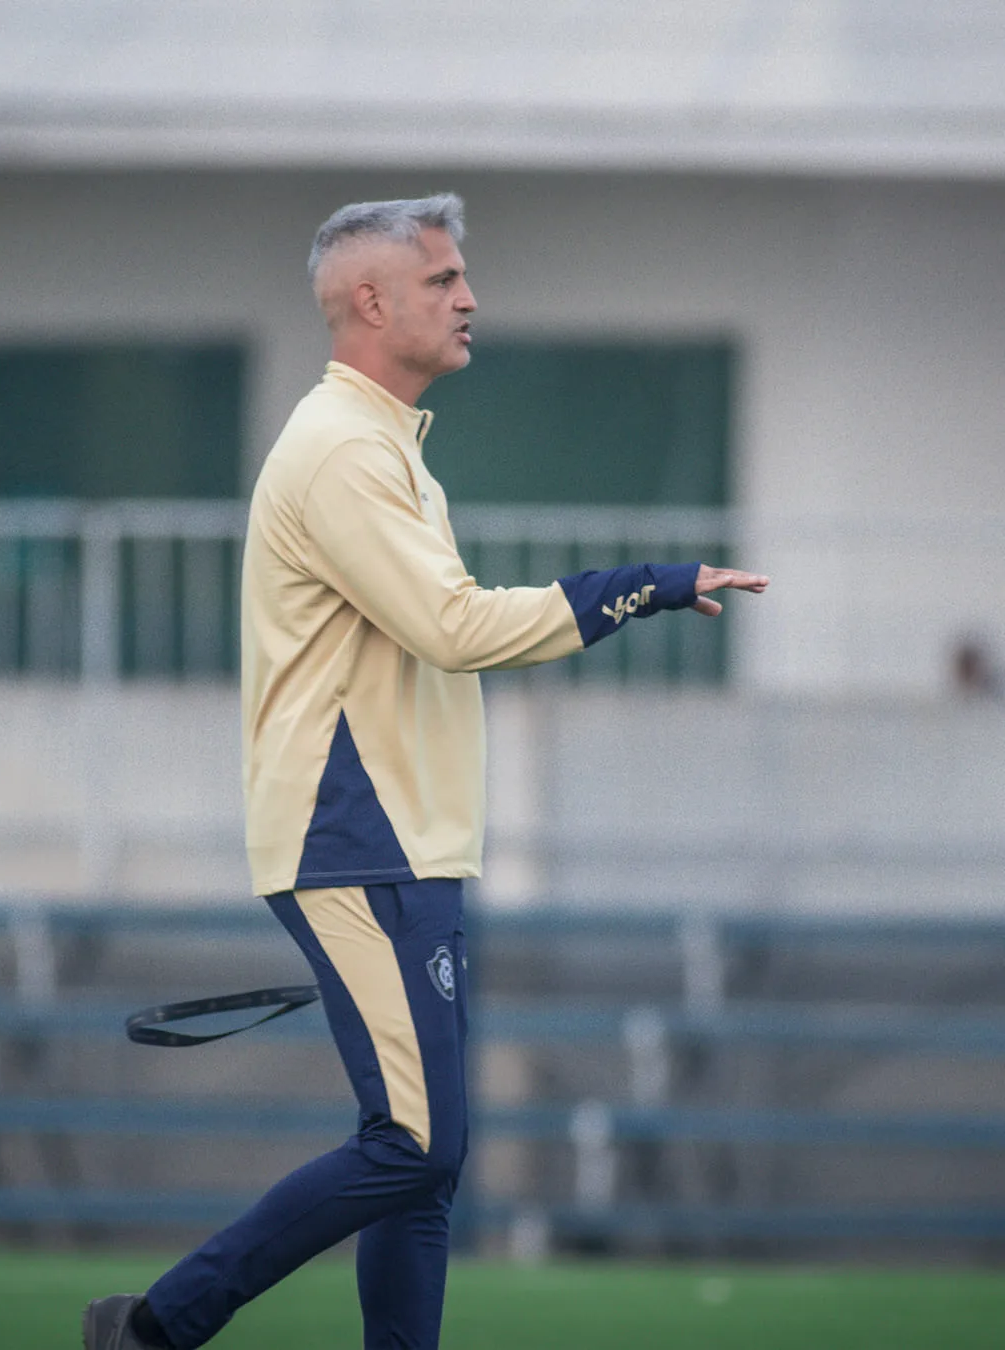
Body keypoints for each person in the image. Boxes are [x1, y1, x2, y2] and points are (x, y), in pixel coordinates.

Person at [82, 192, 769, 1350]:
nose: (469, 297)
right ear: (372, 301)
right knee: (415, 1144)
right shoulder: (342, 448)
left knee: (421, 1163)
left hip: (402, 839)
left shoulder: (380, 443)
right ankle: (155, 1327)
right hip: (355, 834)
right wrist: (642, 583)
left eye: (461, 277)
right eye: (445, 279)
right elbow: (455, 629)